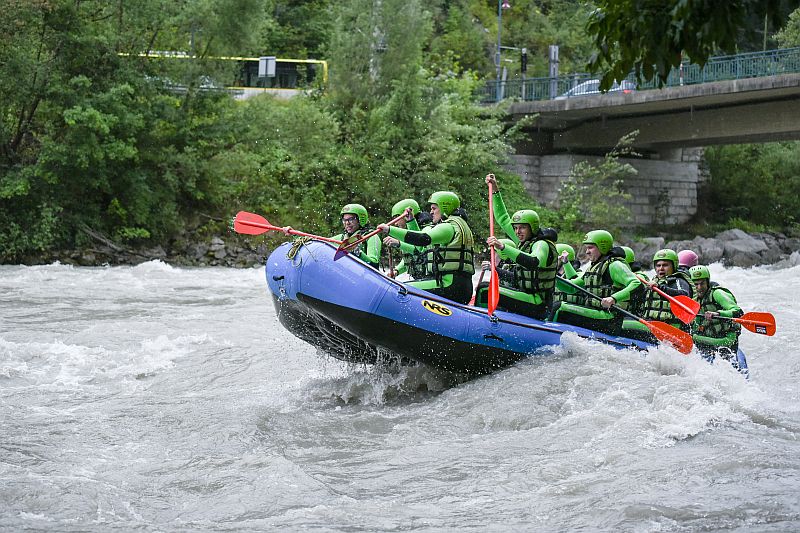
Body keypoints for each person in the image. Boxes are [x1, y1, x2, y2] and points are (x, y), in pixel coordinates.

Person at [474, 173, 557, 319]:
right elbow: (502, 217)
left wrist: (502, 247)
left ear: (532, 227)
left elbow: (534, 262)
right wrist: (494, 188)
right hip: (524, 294)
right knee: (489, 287)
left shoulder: (541, 244)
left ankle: (479, 323)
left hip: (537, 302)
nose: (518, 232)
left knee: (485, 289)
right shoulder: (523, 241)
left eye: (522, 228)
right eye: (516, 228)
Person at [379, 191, 475, 304]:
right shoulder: (456, 224)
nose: (431, 212)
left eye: (434, 208)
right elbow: (420, 248)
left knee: (399, 289)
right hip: (459, 286)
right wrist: (411, 221)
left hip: (450, 285)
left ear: (445, 208)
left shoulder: (448, 227)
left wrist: (389, 230)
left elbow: (422, 239)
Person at [549, 230, 642, 336]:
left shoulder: (615, 265)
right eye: (586, 248)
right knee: (554, 305)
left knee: (559, 307)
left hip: (609, 318)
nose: (587, 252)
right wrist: (552, 276)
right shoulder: (593, 267)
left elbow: (637, 284)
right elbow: (572, 288)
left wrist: (613, 298)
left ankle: (546, 335)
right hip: (595, 312)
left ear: (602, 247)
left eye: (590, 248)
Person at [623, 248, 697, 341]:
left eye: (665, 265)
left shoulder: (679, 280)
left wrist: (660, 288)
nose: (661, 268)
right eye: (658, 265)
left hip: (668, 327)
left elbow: (684, 295)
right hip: (651, 323)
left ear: (674, 266)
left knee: (624, 322)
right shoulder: (654, 280)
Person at [689, 265, 744, 361]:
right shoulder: (692, 298)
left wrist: (718, 314)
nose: (699, 287)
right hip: (706, 342)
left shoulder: (717, 293)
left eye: (702, 283)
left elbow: (738, 312)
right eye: (695, 284)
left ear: (708, 282)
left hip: (726, 341)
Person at [383, 199, 425, 279]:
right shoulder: (406, 234)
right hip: (420, 279)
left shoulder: (427, 230)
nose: (395, 223)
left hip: (432, 279)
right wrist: (397, 271)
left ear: (407, 215)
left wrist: (399, 243)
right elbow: (409, 259)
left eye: (397, 218)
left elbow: (420, 250)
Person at [333, 204, 382, 269]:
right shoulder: (341, 237)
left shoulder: (371, 237)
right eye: (344, 220)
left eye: (351, 219)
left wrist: (357, 252)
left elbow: (374, 264)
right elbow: (323, 243)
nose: (347, 223)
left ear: (360, 220)